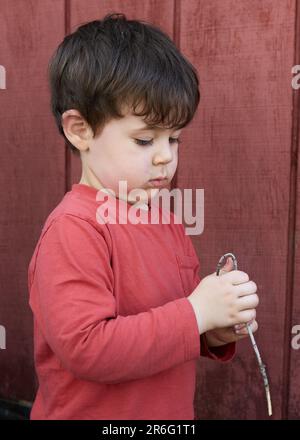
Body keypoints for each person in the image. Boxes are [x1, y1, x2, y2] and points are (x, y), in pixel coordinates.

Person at [28, 12, 259, 420]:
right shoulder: (75, 228)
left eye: (174, 138)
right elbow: (88, 349)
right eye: (144, 139)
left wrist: (218, 326)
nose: (164, 156)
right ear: (80, 129)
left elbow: (181, 323)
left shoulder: (166, 221)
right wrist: (196, 314)